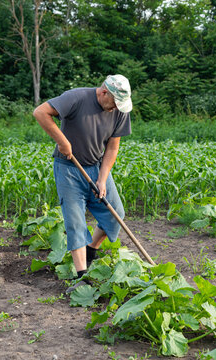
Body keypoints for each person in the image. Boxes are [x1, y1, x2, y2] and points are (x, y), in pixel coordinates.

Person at [33, 75, 132, 293]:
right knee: (75, 221)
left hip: (96, 166)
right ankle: (81, 277)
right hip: (68, 168)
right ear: (104, 92)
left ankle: (90, 250)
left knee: (115, 214)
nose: (116, 108)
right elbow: (40, 112)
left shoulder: (120, 112)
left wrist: (102, 178)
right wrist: (62, 141)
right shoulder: (76, 98)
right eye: (114, 102)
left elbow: (113, 148)